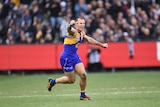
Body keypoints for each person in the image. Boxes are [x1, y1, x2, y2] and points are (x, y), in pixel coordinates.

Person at [47, 17, 108, 100]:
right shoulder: (72, 32)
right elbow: (68, 30)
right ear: (76, 24)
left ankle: (83, 95)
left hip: (75, 57)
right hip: (66, 58)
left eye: (83, 23)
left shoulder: (81, 33)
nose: (82, 25)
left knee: (83, 75)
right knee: (71, 80)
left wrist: (101, 45)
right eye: (80, 23)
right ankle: (53, 81)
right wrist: (70, 25)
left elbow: (89, 39)